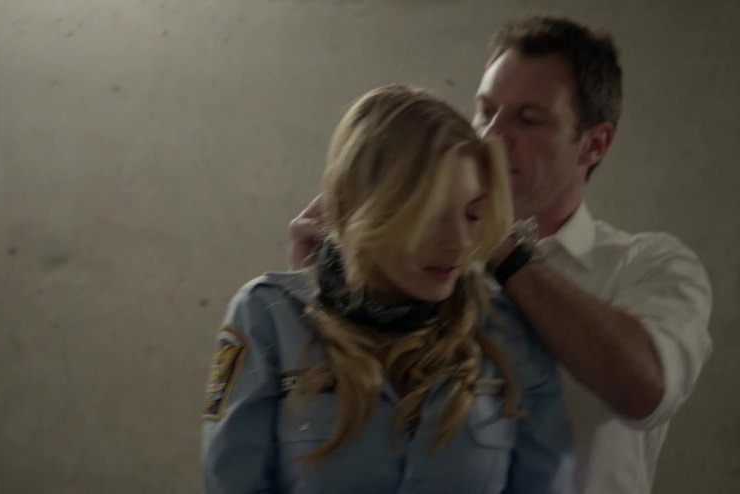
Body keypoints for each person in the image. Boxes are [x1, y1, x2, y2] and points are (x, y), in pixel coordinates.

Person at [288, 17, 712, 494]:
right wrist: (326, 286)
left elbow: (644, 390)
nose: (490, 136)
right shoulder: (422, 264)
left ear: (595, 143)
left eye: (528, 120)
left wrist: (500, 248)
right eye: (485, 110)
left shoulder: (652, 265)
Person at [202, 84, 574, 493]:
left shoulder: (507, 331)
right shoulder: (270, 316)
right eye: (431, 215)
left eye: (472, 215)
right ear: (368, 208)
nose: (459, 242)